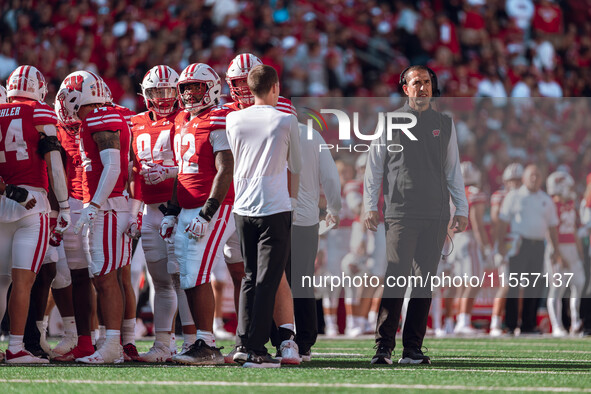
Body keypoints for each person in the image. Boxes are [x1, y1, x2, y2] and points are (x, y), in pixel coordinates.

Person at [364, 65, 468, 365]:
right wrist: (370, 204)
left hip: (435, 213)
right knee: (396, 277)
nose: (421, 88)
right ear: (405, 88)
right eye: (415, 83)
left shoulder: (445, 123)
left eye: (426, 82)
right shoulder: (389, 120)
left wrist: (462, 208)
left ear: (432, 87)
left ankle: (413, 349)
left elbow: (453, 170)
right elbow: (374, 166)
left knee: (424, 283)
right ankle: (383, 347)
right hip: (399, 211)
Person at [223, 53, 302, 365]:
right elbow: (295, 165)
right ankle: (255, 347)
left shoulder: (232, 119)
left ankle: (244, 342)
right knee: (269, 279)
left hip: (242, 207)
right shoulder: (286, 119)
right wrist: (292, 203)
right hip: (274, 206)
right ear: (275, 88)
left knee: (250, 277)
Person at [159, 63, 234, 365]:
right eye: (185, 87)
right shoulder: (183, 120)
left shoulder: (219, 117)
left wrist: (208, 213)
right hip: (189, 206)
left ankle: (208, 344)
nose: (190, 93)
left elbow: (225, 167)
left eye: (197, 87)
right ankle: (199, 341)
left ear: (212, 88)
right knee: (188, 274)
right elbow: (182, 171)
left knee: (198, 272)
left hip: (212, 206)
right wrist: (172, 210)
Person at [57, 70, 131, 364]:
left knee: (105, 277)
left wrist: (95, 204)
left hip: (108, 206)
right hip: (105, 205)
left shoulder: (100, 117)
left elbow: (112, 166)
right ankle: (109, 343)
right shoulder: (99, 117)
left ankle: (113, 345)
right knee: (103, 276)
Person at [1, 65, 71, 363]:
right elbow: (54, 163)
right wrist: (64, 206)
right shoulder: (40, 112)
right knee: (22, 282)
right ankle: (16, 347)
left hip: (3, 199)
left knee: (1, 281)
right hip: (33, 202)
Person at [130, 65, 197, 362]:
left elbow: (196, 162)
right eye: (156, 91)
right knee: (160, 281)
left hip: (178, 210)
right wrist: (133, 211)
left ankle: (194, 340)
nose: (162, 97)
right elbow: (130, 171)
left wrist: (170, 172)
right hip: (149, 210)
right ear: (145, 94)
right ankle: (162, 344)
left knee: (180, 277)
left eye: (168, 90)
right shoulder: (134, 122)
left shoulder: (186, 119)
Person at [497, 164, 561, 335]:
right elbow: (503, 221)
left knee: (534, 285)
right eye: (531, 175)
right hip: (519, 244)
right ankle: (510, 324)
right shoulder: (514, 196)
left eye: (537, 175)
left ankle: (528, 324)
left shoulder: (546, 200)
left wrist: (555, 248)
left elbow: (552, 226)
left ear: (542, 179)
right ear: (524, 178)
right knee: (514, 284)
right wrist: (500, 244)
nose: (534, 178)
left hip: (539, 245)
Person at [545, 171, 585, 336]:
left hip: (571, 248)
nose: (571, 189)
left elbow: (574, 229)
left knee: (579, 283)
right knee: (557, 288)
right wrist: (557, 253)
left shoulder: (569, 204)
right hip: (557, 248)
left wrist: (579, 251)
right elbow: (549, 230)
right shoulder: (551, 205)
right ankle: (557, 326)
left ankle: (575, 322)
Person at [453, 161, 491, 334]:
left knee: (462, 283)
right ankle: (463, 320)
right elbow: (476, 222)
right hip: (469, 239)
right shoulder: (475, 193)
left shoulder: (454, 193)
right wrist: (485, 246)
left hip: (457, 239)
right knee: (474, 281)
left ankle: (458, 320)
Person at [489, 163, 523, 336]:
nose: (515, 183)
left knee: (521, 285)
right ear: (505, 181)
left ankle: (517, 322)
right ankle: (495, 322)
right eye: (512, 180)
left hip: (520, 242)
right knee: (506, 284)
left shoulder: (525, 196)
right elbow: (496, 218)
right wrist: (499, 245)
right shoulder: (500, 196)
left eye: (518, 180)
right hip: (506, 241)